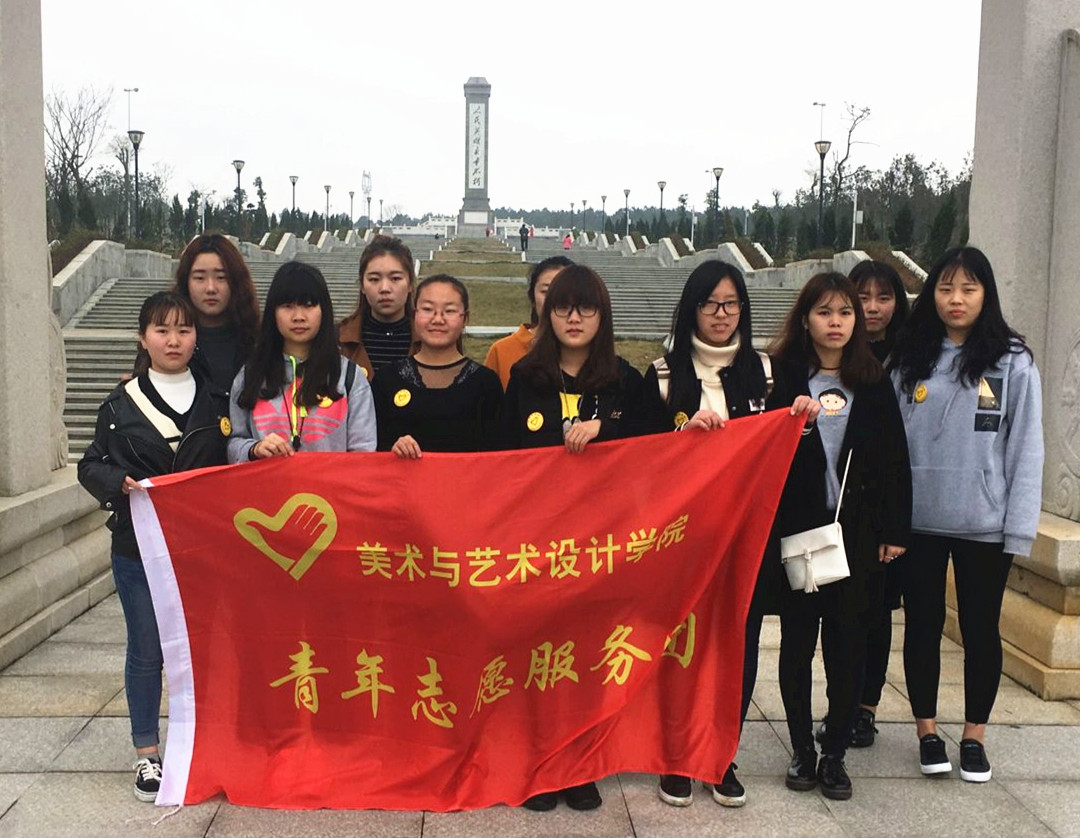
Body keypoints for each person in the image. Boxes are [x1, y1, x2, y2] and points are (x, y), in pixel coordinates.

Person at [641, 260, 821, 809]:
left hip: (749, 539)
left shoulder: (770, 372)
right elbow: (639, 464)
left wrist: (803, 422)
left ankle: (721, 754)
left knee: (737, 644)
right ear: (691, 308)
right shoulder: (662, 376)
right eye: (709, 304)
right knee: (680, 646)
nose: (721, 315)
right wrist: (681, 439)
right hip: (682, 543)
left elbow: (795, 457)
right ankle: (677, 755)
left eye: (731, 303)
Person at [888, 246, 1043, 782]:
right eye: (946, 288)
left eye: (969, 289)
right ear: (932, 294)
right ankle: (927, 731)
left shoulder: (1013, 361)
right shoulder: (909, 357)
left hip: (985, 524)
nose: (956, 299)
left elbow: (1026, 448)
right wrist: (889, 518)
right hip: (918, 523)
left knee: (981, 630)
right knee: (922, 627)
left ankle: (974, 736)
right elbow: (889, 443)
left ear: (985, 295)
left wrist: (1018, 528)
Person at [501, 264, 649, 812]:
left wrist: (607, 431)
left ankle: (580, 764)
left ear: (602, 316)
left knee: (588, 655)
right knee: (539, 656)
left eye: (586, 308)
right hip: (538, 543)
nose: (574, 318)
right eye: (563, 307)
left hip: (600, 545)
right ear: (547, 313)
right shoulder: (525, 377)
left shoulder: (624, 381)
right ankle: (540, 764)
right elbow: (498, 459)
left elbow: (658, 445)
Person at [78, 292, 232, 802]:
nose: (173, 340)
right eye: (162, 330)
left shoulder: (217, 401)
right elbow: (90, 464)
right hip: (138, 550)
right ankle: (147, 751)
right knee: (147, 648)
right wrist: (117, 481)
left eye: (184, 330)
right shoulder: (119, 404)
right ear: (143, 338)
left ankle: (205, 739)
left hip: (204, 551)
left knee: (207, 647)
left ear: (196, 337)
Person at [770, 272, 911, 801]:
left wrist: (895, 529)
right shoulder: (784, 377)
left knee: (847, 645)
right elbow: (763, 451)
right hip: (800, 532)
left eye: (845, 313)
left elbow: (895, 458)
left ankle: (833, 754)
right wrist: (796, 425)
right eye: (824, 312)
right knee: (797, 643)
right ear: (805, 319)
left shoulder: (872, 381)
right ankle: (801, 750)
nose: (836, 323)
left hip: (858, 536)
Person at [824, 258, 911, 749]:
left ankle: (865, 707)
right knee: (843, 617)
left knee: (878, 612)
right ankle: (842, 703)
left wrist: (895, 524)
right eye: (863, 297)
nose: (872, 307)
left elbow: (897, 452)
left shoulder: (914, 355)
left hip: (884, 508)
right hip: (838, 508)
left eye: (884, 297)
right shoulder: (829, 357)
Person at [229, 261, 376, 461]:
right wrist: (254, 448)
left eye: (308, 305)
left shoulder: (349, 376)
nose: (298, 317)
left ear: (324, 310)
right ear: (273, 312)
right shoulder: (250, 375)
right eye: (287, 306)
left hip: (330, 482)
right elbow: (234, 443)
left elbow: (364, 452)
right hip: (269, 482)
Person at [371, 274, 502, 455]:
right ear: (414, 314)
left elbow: (498, 454)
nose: (438, 319)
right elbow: (370, 448)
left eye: (449, 311)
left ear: (465, 319)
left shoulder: (485, 383)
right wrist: (394, 449)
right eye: (427, 309)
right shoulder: (387, 379)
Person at [166, 234, 260, 393]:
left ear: (236, 281)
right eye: (200, 278)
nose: (211, 288)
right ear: (185, 281)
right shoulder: (167, 342)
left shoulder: (258, 340)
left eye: (221, 278)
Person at [484, 256, 573, 389]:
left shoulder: (589, 351)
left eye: (564, 292)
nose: (555, 299)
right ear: (532, 298)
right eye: (546, 291)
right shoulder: (502, 351)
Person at [338, 235, 417, 378]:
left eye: (395, 278)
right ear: (362, 286)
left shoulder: (430, 339)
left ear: (410, 283)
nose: (384, 288)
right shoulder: (338, 340)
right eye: (374, 279)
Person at [852, 259, 910, 363]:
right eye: (863, 298)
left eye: (883, 299)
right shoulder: (833, 353)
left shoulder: (912, 353)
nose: (873, 308)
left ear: (897, 304)